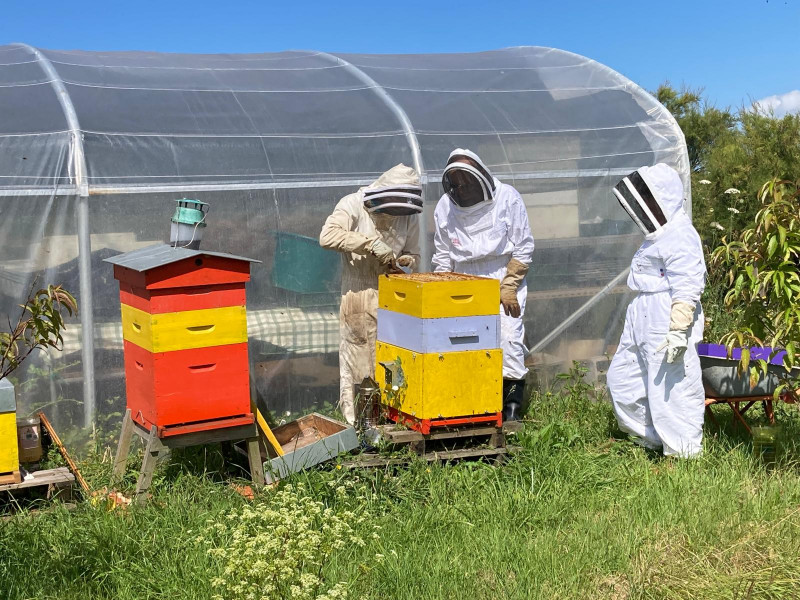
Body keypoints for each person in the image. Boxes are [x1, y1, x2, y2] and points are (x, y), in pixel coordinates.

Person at [606, 163, 707, 457]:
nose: (644, 205)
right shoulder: (657, 236)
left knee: (672, 388)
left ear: (664, 197)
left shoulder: (681, 234)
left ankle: (683, 452)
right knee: (622, 380)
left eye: (649, 197)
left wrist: (678, 330)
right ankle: (652, 439)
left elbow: (688, 284)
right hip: (642, 312)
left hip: (667, 314)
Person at [432, 149, 535, 421]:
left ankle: (511, 407)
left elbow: (523, 247)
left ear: (481, 175)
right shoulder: (445, 206)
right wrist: (443, 290)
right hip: (462, 280)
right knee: (465, 342)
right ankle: (473, 405)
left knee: (509, 338)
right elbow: (443, 255)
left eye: (466, 181)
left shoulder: (507, 198)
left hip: (501, 276)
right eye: (456, 183)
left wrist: (509, 285)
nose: (462, 188)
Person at [319, 164, 422, 425]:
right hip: (359, 293)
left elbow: (414, 251)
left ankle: (393, 418)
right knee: (358, 363)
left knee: (393, 360)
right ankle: (357, 426)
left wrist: (408, 259)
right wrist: (369, 244)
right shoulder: (352, 204)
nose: (395, 213)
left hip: (395, 294)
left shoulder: (408, 215)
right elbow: (327, 236)